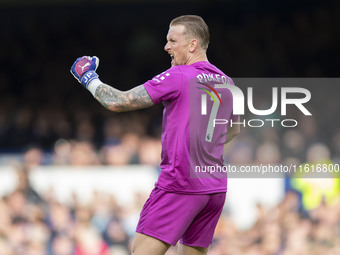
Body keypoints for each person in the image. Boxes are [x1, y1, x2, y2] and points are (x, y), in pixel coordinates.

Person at [71, 15, 239, 255]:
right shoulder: (226, 81)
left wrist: (87, 77)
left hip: (180, 184)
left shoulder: (179, 76)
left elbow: (117, 101)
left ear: (192, 45)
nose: (166, 47)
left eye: (172, 40)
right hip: (215, 187)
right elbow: (233, 129)